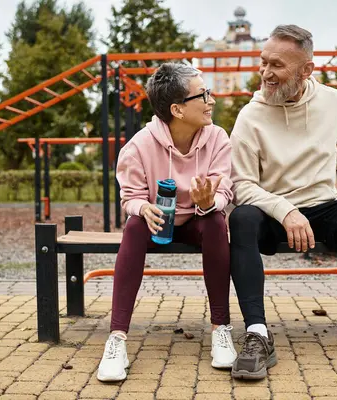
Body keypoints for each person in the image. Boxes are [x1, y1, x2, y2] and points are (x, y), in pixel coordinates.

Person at [228, 25, 337, 380]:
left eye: (277, 66)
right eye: (263, 62)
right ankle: (256, 333)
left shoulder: (335, 102)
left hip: (324, 205)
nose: (266, 73)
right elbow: (242, 185)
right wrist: (286, 211)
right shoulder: (249, 116)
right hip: (271, 212)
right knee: (240, 219)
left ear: (306, 70)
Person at [96, 63, 237, 382]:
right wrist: (143, 208)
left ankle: (221, 329)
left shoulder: (217, 137)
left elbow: (225, 187)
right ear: (177, 109)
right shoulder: (139, 146)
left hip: (199, 221)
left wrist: (209, 202)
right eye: (203, 94)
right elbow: (129, 197)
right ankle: (116, 339)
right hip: (158, 221)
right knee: (132, 227)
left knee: (217, 222)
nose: (211, 100)